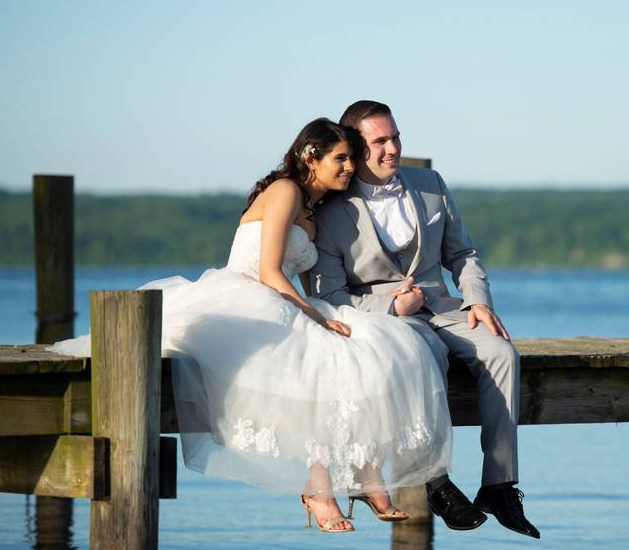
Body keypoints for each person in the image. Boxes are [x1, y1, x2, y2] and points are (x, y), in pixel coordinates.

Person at [48, 118, 452, 534]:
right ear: (309, 156)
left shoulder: (316, 206)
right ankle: (319, 487)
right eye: (341, 158)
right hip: (247, 295)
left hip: (282, 298)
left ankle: (366, 472)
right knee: (319, 357)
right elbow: (269, 271)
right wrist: (314, 316)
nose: (349, 167)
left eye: (351, 158)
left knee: (373, 345)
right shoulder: (285, 191)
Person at [311, 100, 540, 539]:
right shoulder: (329, 210)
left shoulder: (429, 183)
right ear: (356, 147)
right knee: (426, 355)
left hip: (444, 306)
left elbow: (462, 253)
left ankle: (500, 484)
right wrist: (390, 309)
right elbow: (328, 295)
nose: (392, 148)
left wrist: (477, 300)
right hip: (386, 320)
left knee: (502, 353)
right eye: (380, 141)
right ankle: (436, 481)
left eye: (395, 137)